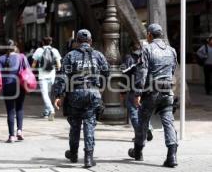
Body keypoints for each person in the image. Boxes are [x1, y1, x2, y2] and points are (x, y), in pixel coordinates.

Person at [53, 29, 110, 168]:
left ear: (77, 42)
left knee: (75, 125)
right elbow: (106, 72)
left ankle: (73, 154)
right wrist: (98, 88)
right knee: (89, 124)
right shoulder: (99, 55)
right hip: (93, 93)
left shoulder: (70, 56)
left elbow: (62, 76)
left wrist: (58, 95)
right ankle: (88, 158)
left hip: (76, 94)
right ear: (90, 41)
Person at [128, 23, 178, 168]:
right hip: (167, 91)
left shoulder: (147, 49)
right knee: (168, 122)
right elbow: (173, 69)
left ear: (150, 35)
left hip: (152, 92)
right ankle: (172, 155)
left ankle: (138, 151)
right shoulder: (172, 51)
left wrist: (137, 92)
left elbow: (142, 72)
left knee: (143, 120)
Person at [0, 40, 28, 143]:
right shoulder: (22, 57)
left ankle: (11, 135)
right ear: (15, 47)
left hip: (7, 87)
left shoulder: (1, 58)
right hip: (20, 86)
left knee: (10, 111)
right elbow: (27, 70)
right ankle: (19, 131)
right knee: (20, 108)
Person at [121, 41, 153, 141]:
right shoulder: (148, 57)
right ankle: (148, 128)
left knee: (134, 112)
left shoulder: (129, 58)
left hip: (133, 88)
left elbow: (125, 74)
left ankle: (139, 134)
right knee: (144, 110)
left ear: (131, 48)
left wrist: (122, 91)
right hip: (147, 88)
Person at [32, 36, 61, 121]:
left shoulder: (39, 50)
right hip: (52, 76)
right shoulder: (55, 50)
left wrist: (31, 70)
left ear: (42, 42)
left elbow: (34, 64)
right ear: (51, 42)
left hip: (42, 76)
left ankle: (51, 110)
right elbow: (59, 66)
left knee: (45, 95)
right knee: (48, 94)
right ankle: (46, 112)